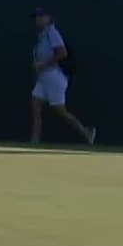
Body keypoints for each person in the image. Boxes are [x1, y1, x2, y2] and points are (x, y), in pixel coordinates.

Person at [30, 9, 96, 145]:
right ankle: (34, 141)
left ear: (49, 18)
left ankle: (86, 132)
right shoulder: (41, 37)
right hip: (43, 78)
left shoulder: (52, 33)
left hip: (55, 77)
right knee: (35, 106)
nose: (38, 19)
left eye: (41, 16)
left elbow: (62, 53)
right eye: (36, 17)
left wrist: (43, 64)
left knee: (60, 112)